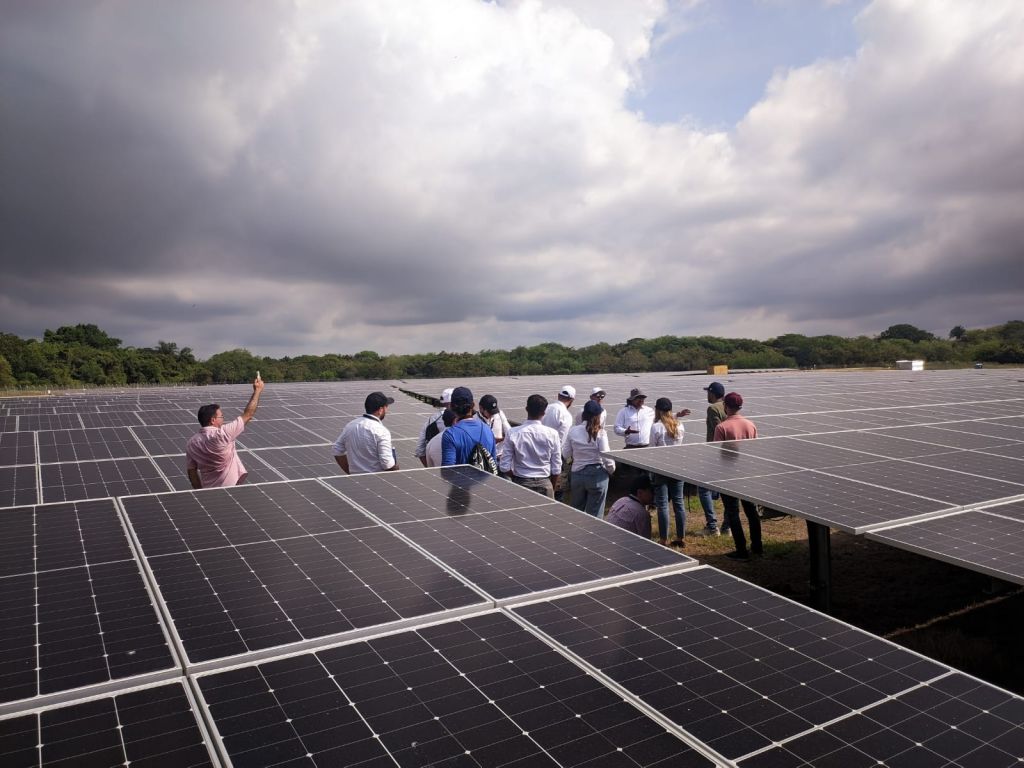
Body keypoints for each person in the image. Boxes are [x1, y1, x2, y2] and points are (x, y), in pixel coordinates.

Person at [186, 375, 264, 489]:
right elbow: (248, 414)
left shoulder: (191, 443)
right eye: (221, 417)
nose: (223, 419)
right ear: (213, 420)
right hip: (229, 491)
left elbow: (192, 471)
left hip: (208, 492)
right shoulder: (222, 435)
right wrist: (257, 391)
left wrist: (201, 493)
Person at [713, 392, 762, 560]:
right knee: (751, 511)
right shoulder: (751, 425)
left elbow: (716, 454)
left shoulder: (722, 427)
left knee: (733, 512)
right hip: (747, 474)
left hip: (729, 475)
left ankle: (741, 550)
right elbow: (756, 451)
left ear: (726, 406)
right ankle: (757, 546)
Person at [500, 394, 562, 498]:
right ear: (544, 413)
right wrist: (552, 488)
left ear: (526, 409)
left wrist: (516, 478)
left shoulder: (513, 433)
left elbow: (504, 467)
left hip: (521, 482)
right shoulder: (553, 434)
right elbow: (556, 469)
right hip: (545, 483)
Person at [561, 400, 616, 517]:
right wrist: (610, 471)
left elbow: (565, 454)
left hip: (577, 474)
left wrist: (573, 459)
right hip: (597, 475)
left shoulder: (573, 430)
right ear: (598, 416)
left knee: (576, 511)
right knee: (595, 514)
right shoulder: (600, 433)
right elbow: (607, 458)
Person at [649, 397, 687, 547]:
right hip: (678, 467)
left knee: (663, 504)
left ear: (658, 410)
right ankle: (681, 537)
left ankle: (664, 538)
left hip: (661, 468)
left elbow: (652, 449)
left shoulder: (656, 427)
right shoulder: (680, 425)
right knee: (679, 502)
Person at [333, 392, 398, 474]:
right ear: (381, 410)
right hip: (377, 481)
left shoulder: (351, 425)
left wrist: (349, 471)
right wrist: (396, 469)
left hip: (355, 481)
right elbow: (387, 464)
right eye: (386, 407)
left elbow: (337, 450)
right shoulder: (381, 431)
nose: (387, 410)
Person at [697, 382, 728, 536]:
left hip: (716, 454)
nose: (707, 396)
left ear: (712, 393)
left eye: (708, 392)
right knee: (729, 491)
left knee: (703, 488)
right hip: (730, 454)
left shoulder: (713, 408)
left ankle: (712, 526)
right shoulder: (728, 406)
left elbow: (719, 429)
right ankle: (727, 527)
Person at [441, 386, 497, 466]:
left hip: (459, 478)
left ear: (452, 407)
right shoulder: (488, 430)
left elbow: (448, 470)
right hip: (486, 478)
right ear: (473, 405)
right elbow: (494, 463)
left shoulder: (450, 434)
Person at [542, 385, 576, 500]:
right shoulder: (566, 415)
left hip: (537, 452)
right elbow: (561, 441)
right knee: (556, 490)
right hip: (554, 456)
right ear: (571, 400)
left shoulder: (545, 408)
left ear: (558, 395)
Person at [415, 388, 453, 467]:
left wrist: (430, 468)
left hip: (437, 468)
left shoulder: (431, 420)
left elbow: (419, 449)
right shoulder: (461, 418)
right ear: (450, 403)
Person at [478, 394, 513, 461]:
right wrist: (493, 440)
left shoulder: (499, 414)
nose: (492, 414)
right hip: (484, 457)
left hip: (500, 454)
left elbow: (509, 431)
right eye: (489, 412)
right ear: (481, 408)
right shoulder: (475, 420)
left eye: (493, 412)